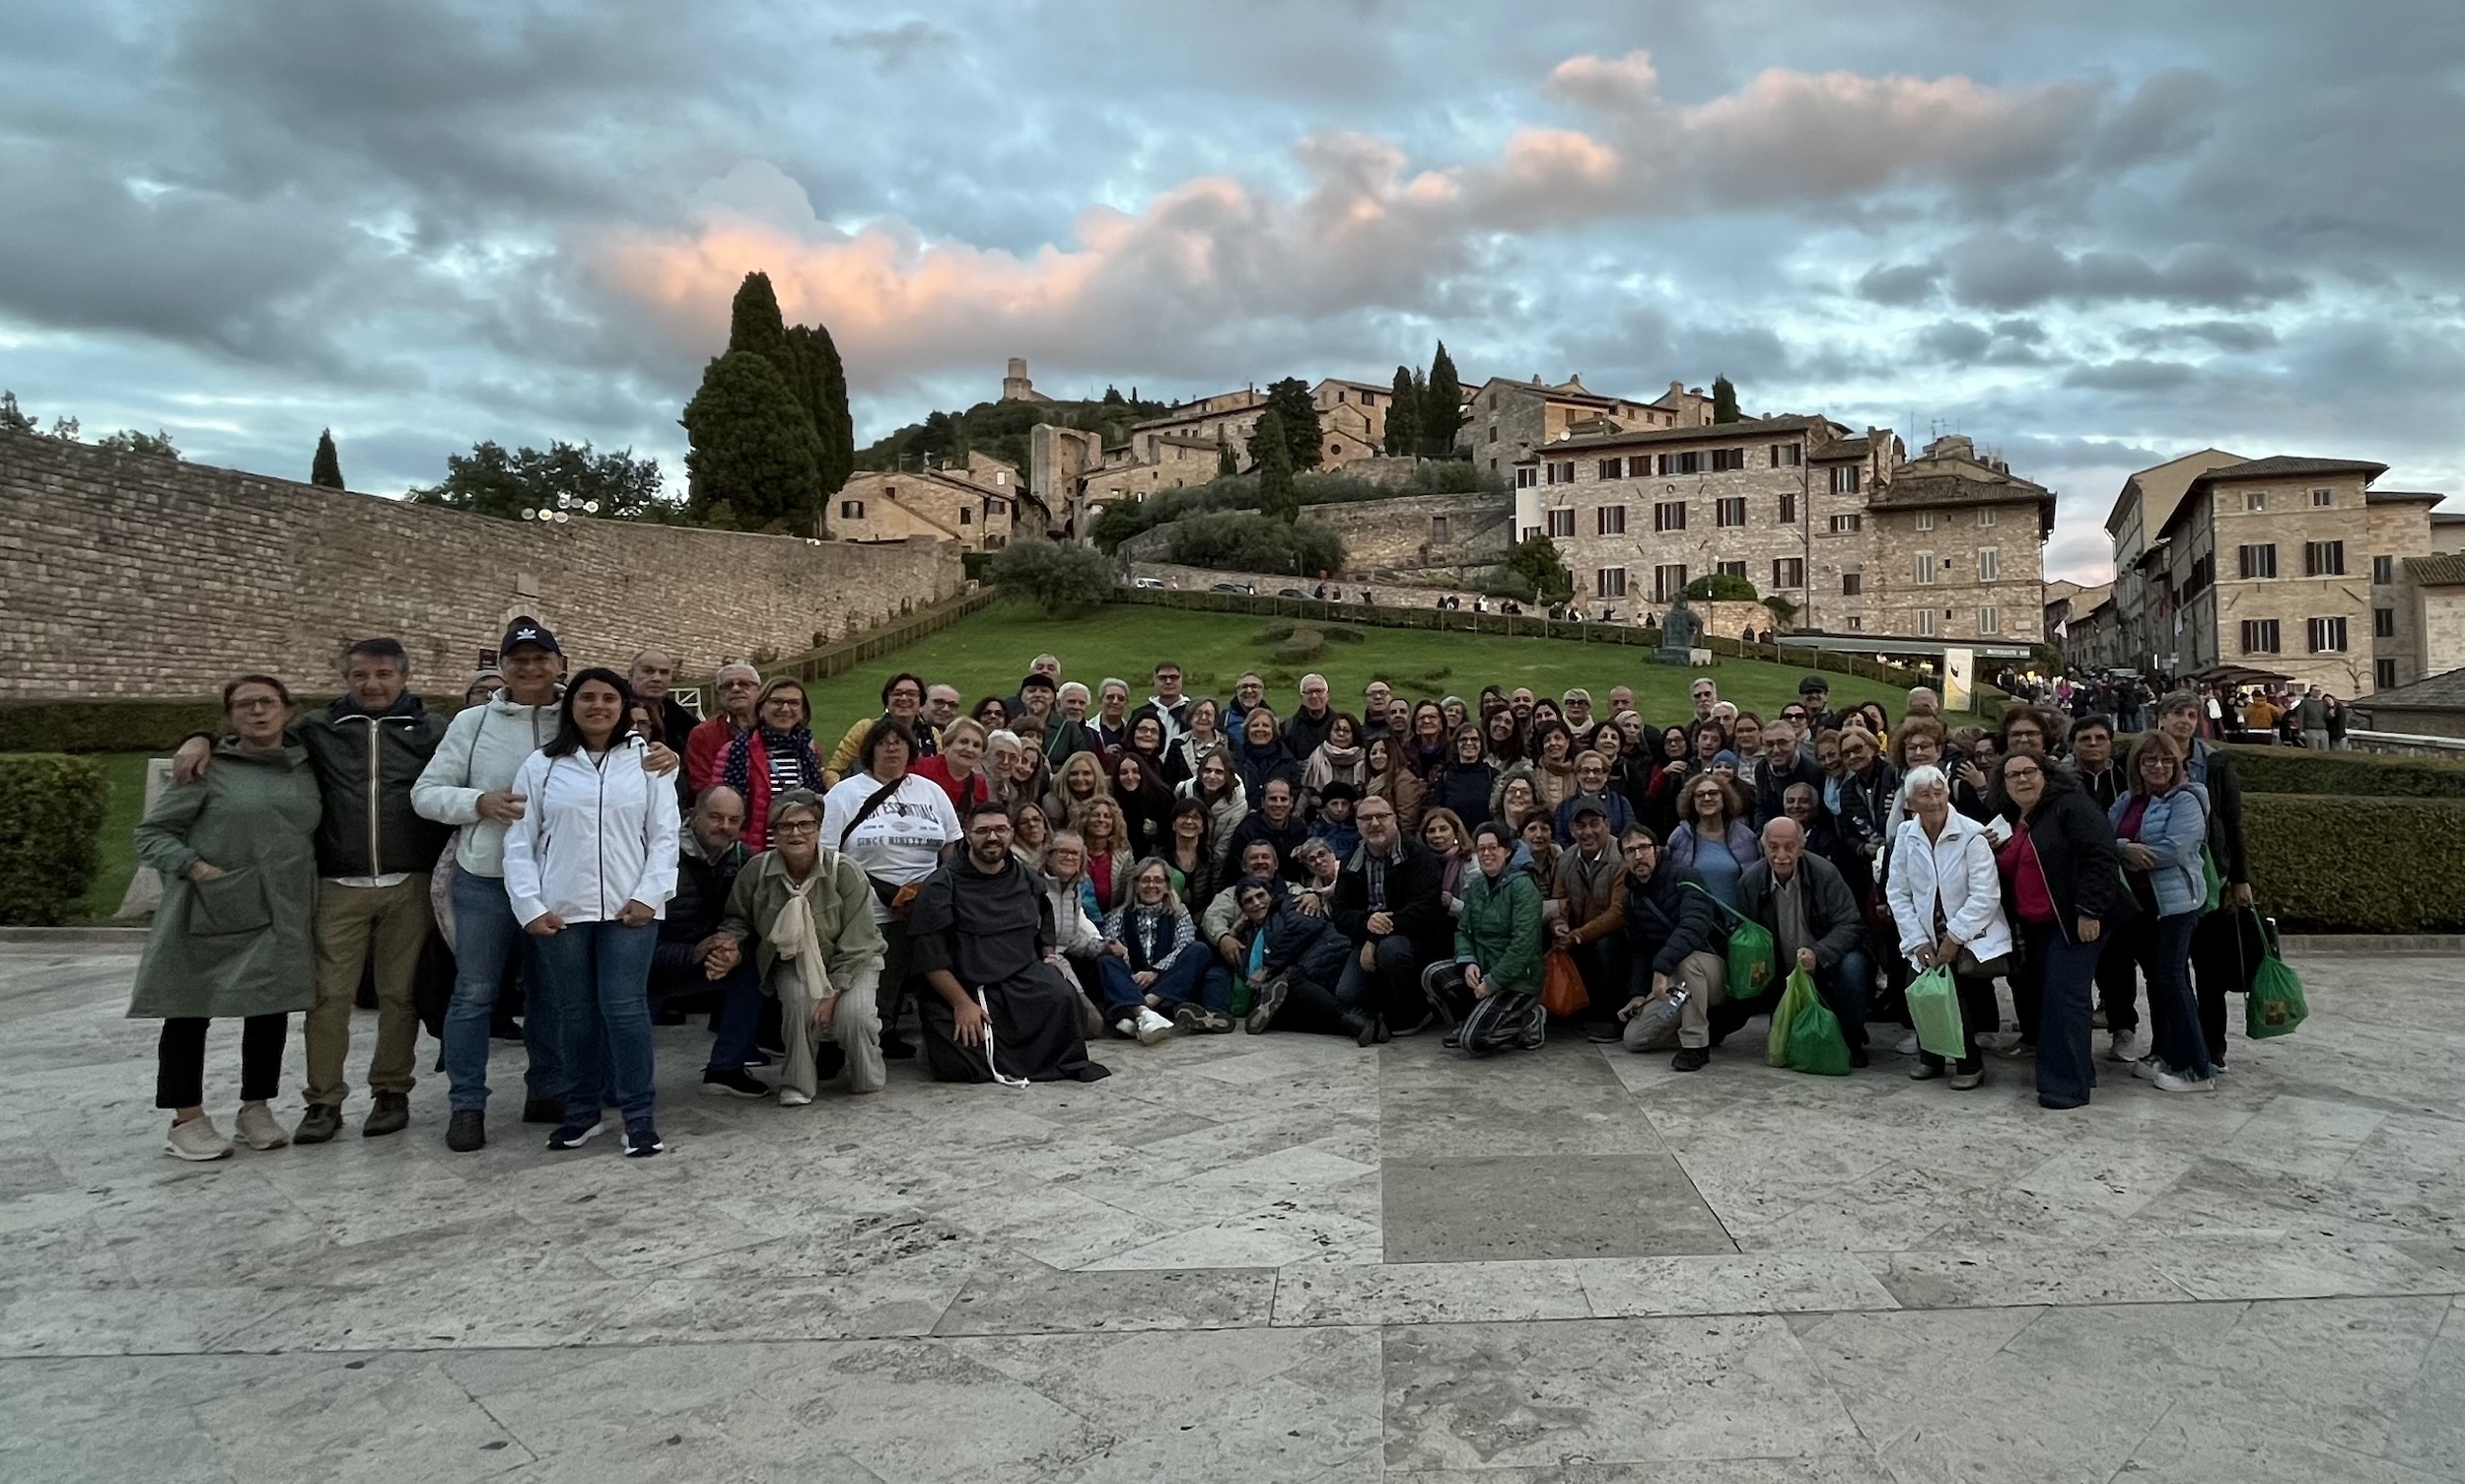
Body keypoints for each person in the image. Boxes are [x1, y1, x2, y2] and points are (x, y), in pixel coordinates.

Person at [172, 637, 452, 1144]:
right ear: (345, 678)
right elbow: (256, 731)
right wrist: (200, 737)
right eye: (361, 675)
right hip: (336, 883)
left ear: (404, 677)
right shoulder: (317, 729)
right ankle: (323, 1101)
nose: (373, 684)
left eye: (384, 674)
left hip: (408, 882)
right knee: (328, 999)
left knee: (399, 994)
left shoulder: (433, 731)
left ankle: (391, 1091)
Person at [132, 675, 321, 1160]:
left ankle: (255, 1108)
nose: (256, 712)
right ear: (229, 716)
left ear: (287, 710)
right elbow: (152, 834)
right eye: (243, 705)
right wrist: (196, 867)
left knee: (268, 1007)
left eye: (266, 702)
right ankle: (186, 1119)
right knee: (189, 1009)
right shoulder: (207, 767)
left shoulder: (303, 764)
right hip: (210, 906)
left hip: (280, 906)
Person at [500, 668, 679, 1157]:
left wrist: (651, 894)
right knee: (574, 1015)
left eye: (608, 698)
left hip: (631, 909)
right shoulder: (540, 766)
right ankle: (581, 1113)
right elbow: (521, 841)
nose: (597, 706)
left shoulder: (651, 762)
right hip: (563, 911)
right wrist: (530, 906)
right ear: (571, 705)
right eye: (587, 697)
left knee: (624, 1011)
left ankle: (639, 1117)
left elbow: (664, 835)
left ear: (624, 708)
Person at [415, 615, 578, 1147]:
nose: (530, 669)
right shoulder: (474, 724)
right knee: (475, 993)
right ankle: (467, 1104)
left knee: (550, 991)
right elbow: (426, 792)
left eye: (540, 660)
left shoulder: (575, 717)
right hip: (487, 875)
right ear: (504, 667)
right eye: (519, 661)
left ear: (559, 665)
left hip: (555, 877)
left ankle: (548, 1087)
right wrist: (477, 803)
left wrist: (659, 757)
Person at [907, 802, 1109, 1083]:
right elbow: (931, 958)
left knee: (1063, 997)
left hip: (1022, 975)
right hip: (967, 984)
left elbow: (1045, 920)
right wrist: (961, 1004)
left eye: (1001, 830)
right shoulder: (941, 886)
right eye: (984, 831)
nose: (993, 837)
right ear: (968, 834)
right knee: (959, 1065)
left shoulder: (1026, 879)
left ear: (1011, 834)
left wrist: (1049, 955)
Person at [720, 788, 889, 1104]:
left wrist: (833, 992)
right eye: (785, 826)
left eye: (805, 824)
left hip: (853, 961)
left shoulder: (845, 871)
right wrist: (729, 941)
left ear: (818, 829)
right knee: (799, 1005)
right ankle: (798, 1083)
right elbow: (737, 917)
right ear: (774, 833)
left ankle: (867, 1075)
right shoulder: (757, 872)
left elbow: (860, 941)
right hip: (793, 960)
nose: (796, 832)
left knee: (854, 1015)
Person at [822, 718, 965, 1059]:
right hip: (866, 900)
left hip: (922, 900)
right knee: (873, 974)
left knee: (902, 974)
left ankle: (884, 1031)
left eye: (899, 742)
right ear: (869, 750)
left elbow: (951, 847)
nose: (892, 748)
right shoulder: (845, 792)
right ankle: (841, 1041)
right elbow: (827, 854)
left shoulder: (929, 790)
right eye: (883, 742)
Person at [1991, 749, 2120, 1109]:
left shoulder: (2070, 807)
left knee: (2066, 1001)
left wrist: (2089, 910)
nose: (2022, 779)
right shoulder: (2023, 819)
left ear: (2046, 774)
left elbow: (2101, 856)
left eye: (2029, 771)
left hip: (2076, 922)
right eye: (2012, 775)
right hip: (2041, 926)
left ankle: (2066, 1087)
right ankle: (2078, 1072)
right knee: (2056, 1001)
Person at [1884, 764, 2010, 1090]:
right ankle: (1932, 1058)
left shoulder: (1972, 834)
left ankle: (1970, 1063)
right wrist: (1916, 940)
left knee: (1957, 998)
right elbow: (1898, 891)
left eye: (1938, 792)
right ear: (1910, 803)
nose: (1934, 800)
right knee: (1921, 994)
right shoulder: (1906, 836)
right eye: (1924, 794)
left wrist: (1954, 937)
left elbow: (1986, 895)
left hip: (1966, 935)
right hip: (1924, 935)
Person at [2109, 733, 2218, 1094]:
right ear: (2136, 765)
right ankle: (2164, 1052)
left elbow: (2175, 848)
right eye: (2149, 760)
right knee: (2159, 980)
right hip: (2140, 905)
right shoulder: (2127, 800)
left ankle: (2197, 1067)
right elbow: (2105, 839)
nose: (2158, 766)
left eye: (2166, 760)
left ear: (2178, 765)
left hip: (2175, 904)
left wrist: (2133, 851)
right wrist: (2126, 847)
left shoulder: (2187, 800)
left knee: (2172, 979)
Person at [650, 785, 770, 1097]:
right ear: (693, 815)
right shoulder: (657, 855)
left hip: (713, 960)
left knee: (757, 966)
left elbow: (752, 921)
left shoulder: (747, 859)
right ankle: (623, 1076)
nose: (725, 826)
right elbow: (632, 934)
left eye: (733, 819)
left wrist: (733, 948)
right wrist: (691, 953)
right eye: (715, 817)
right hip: (652, 962)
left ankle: (727, 1068)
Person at [2155, 690, 2251, 1069]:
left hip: (2210, 873)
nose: (2184, 721)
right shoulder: (2148, 756)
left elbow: (2232, 820)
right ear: (2161, 717)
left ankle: (2213, 1046)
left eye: (2191, 714)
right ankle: (2173, 1043)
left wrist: (2241, 877)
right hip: (2163, 877)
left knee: (2208, 968)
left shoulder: (2215, 763)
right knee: (2168, 969)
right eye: (2177, 713)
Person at [1736, 816, 1873, 1067]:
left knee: (1854, 967)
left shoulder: (1825, 874)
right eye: (1773, 847)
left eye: (1789, 847)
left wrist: (1818, 954)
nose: (1781, 855)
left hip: (1827, 964)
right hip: (1779, 971)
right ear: (1763, 846)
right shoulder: (1751, 881)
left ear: (1801, 847)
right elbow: (1745, 932)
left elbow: (1850, 924)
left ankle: (1853, 1041)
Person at [1598, 825, 1729, 1067]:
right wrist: (1638, 993)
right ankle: (1706, 1025)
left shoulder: (1686, 877)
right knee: (1635, 1039)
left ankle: (1695, 1045)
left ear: (1657, 850)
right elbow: (1640, 949)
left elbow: (1694, 925)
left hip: (1711, 969)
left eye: (1643, 847)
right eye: (1630, 851)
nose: (1638, 856)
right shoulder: (1633, 899)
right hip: (1673, 979)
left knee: (1687, 963)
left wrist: (1662, 968)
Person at [1418, 821, 1546, 1052]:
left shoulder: (1523, 888)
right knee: (1432, 974)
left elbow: (1523, 945)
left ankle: (1526, 1022)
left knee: (1472, 1043)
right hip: (1483, 966)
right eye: (1481, 849)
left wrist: (1493, 981)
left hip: (1518, 980)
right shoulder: (1477, 886)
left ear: (1506, 851)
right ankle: (1469, 1021)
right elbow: (1464, 930)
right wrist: (1468, 961)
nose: (1487, 854)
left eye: (1493, 848)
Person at [1329, 793, 1447, 1043]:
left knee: (1391, 952)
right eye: (1366, 818)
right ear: (1357, 825)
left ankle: (1413, 1014)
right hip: (1367, 934)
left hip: (1410, 937)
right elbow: (1340, 911)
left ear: (1395, 819)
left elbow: (1424, 909)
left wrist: (1374, 936)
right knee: (1347, 994)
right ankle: (1383, 1013)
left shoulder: (1417, 856)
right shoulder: (1352, 859)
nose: (1374, 823)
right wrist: (1366, 926)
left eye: (1381, 816)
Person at [1094, 859, 1201, 1043]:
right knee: (1106, 961)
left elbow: (1183, 947)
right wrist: (1121, 953)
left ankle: (1142, 1009)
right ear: (1135, 885)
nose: (1152, 885)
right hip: (1132, 983)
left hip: (1165, 984)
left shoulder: (1179, 912)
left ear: (1167, 885)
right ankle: (1144, 1014)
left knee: (1198, 950)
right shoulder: (1120, 913)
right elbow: (1110, 943)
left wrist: (1155, 972)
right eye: (1145, 880)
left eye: (1158, 880)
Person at [714, 678, 827, 851]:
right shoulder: (735, 751)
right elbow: (720, 804)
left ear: (803, 712)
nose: (785, 709)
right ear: (761, 709)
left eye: (793, 703)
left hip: (800, 852)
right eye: (776, 702)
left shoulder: (810, 752)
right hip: (753, 854)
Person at [1548, 797, 1627, 1029]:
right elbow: (1559, 902)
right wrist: (1559, 925)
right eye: (1581, 826)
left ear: (1608, 825)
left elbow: (1617, 913)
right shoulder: (1565, 860)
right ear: (1572, 829)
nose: (1587, 832)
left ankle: (1613, 1016)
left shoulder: (1621, 857)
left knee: (1606, 947)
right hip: (1579, 932)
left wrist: (1578, 935)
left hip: (1617, 935)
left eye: (1594, 824)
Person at [825, 672, 938, 786]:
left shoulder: (933, 735)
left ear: (921, 702)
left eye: (911, 694)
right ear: (887, 701)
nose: (904, 698)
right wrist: (845, 794)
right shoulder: (865, 728)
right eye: (897, 693)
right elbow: (833, 771)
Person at [1666, 774, 1761, 909]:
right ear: (1692, 801)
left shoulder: (1745, 836)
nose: (1707, 798)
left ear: (1724, 797)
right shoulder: (1680, 836)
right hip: (1694, 922)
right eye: (1699, 794)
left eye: (1713, 793)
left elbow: (1754, 885)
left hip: (1738, 925)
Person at [684, 661, 764, 799]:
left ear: (759, 690)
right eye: (727, 686)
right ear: (719, 695)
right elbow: (701, 785)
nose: (736, 689)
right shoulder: (703, 734)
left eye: (744, 684)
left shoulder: (775, 728)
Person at [1228, 777, 1310, 882]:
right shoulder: (1247, 830)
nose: (1278, 804)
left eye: (1283, 799)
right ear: (1263, 802)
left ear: (1291, 802)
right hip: (1254, 888)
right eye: (1273, 799)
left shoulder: (1299, 827)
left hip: (1292, 889)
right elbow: (1235, 871)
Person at [1178, 747, 1249, 862]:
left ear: (1228, 776)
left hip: (1216, 860)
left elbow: (1224, 846)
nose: (1212, 776)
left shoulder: (1239, 804)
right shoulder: (1184, 790)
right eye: (1207, 770)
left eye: (1219, 772)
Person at [913, 716, 994, 815]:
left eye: (976, 745)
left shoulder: (979, 783)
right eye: (963, 742)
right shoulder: (919, 768)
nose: (969, 749)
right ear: (946, 745)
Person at [1752, 719, 1824, 828]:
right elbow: (1762, 807)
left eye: (1782, 743)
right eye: (1769, 744)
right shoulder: (1762, 768)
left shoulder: (1813, 771)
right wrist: (1761, 833)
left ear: (1795, 744)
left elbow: (1821, 815)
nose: (1776, 750)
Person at [1231, 705, 1302, 810]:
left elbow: (1295, 791)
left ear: (1273, 731)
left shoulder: (1286, 760)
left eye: (1265, 725)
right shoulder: (1235, 759)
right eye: (1255, 725)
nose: (1260, 729)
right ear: (1247, 730)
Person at [1553, 753, 1634, 842]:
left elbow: (1629, 835)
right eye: (1585, 771)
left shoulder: (1621, 803)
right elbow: (1559, 837)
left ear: (1606, 775)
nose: (1591, 776)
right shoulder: (1564, 806)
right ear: (1577, 775)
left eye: (1597, 771)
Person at [1431, 725, 1500, 827]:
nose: (1469, 743)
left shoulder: (1492, 775)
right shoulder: (1445, 776)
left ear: (1481, 744)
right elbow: (1437, 810)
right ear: (1456, 744)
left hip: (1485, 835)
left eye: (1474, 739)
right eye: (1463, 739)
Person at [1300, 712, 1368, 804]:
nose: (1341, 734)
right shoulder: (1317, 756)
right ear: (1330, 733)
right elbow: (1306, 792)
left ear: (1354, 735)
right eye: (1336, 730)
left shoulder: (1365, 758)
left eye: (1346, 731)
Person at [1165, 696, 1227, 786]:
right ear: (1190, 717)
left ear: (1215, 718)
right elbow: (1170, 780)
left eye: (1208, 714)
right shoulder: (1177, 744)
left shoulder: (1227, 742)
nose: (1203, 717)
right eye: (1198, 713)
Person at [1129, 662, 1192, 749]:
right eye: (1162, 678)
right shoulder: (1140, 714)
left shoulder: (1193, 713)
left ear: (1181, 680)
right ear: (1155, 680)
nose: (1168, 682)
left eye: (1173, 677)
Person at [2295, 685, 2331, 749]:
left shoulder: (2323, 703)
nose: (2317, 693)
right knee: (2313, 751)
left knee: (2325, 752)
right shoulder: (2305, 703)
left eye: (2319, 691)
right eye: (2315, 691)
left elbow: (2326, 716)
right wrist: (2301, 731)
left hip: (2323, 730)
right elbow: (2300, 717)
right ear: (2311, 692)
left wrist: (2331, 711)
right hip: (2310, 730)